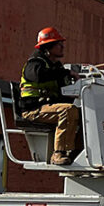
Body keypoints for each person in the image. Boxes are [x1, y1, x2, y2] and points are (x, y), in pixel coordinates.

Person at [19, 27, 81, 166]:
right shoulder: (35, 63)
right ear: (49, 46)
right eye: (59, 44)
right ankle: (59, 153)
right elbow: (39, 75)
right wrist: (66, 73)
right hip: (32, 109)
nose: (62, 47)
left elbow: (62, 92)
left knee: (81, 113)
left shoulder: (56, 68)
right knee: (68, 110)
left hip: (47, 108)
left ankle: (77, 151)